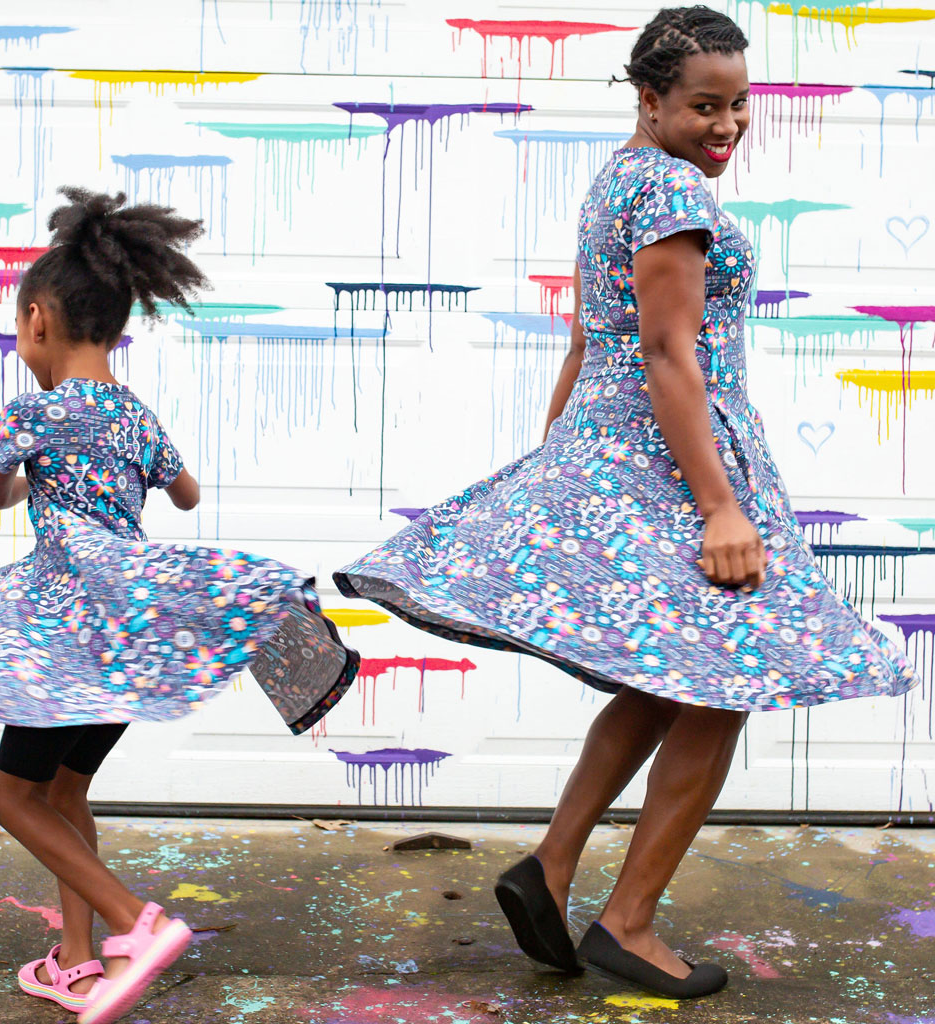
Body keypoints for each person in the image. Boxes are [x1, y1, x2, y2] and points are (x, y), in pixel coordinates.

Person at [334, 5, 916, 999]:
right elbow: (664, 354)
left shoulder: (618, 177)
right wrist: (720, 508)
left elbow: (582, 343)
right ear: (647, 99)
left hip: (619, 450)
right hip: (674, 460)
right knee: (724, 683)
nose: (725, 124)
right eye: (701, 105)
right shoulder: (669, 188)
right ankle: (629, 921)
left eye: (739, 103)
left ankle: (551, 869)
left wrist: (558, 461)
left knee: (662, 679)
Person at [0, 188, 358, 1024]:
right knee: (65, 798)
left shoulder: (33, 411)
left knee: (11, 802)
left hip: (62, 647)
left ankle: (134, 924)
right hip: (127, 645)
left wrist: (20, 459)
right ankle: (76, 960)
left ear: (38, 319)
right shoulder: (136, 416)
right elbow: (186, 498)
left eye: (18, 326)